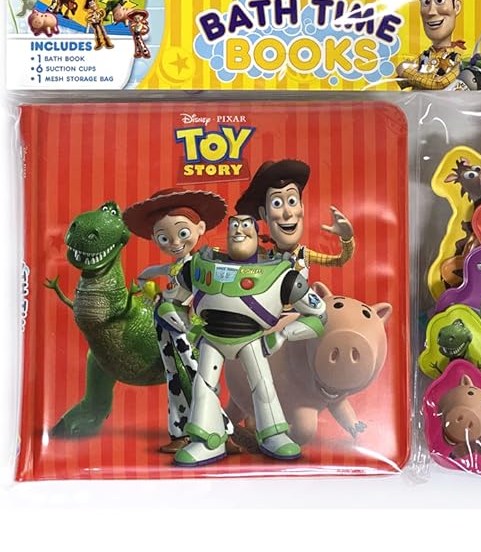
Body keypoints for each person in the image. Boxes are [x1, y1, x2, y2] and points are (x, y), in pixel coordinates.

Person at [173, 213, 328, 465]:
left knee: (263, 386)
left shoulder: (282, 275)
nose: (239, 231)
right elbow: (171, 301)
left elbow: (318, 314)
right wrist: (184, 323)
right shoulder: (196, 268)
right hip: (211, 337)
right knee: (204, 387)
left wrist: (283, 334)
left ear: (257, 235)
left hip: (251, 339)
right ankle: (208, 440)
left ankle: (273, 434)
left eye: (246, 226)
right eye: (234, 225)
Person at [123, 188, 227, 453]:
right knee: (173, 376)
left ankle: (221, 429)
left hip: (186, 326)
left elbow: (208, 290)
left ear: (199, 228)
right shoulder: (172, 267)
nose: (174, 243)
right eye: (163, 237)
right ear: (154, 238)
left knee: (197, 374)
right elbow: (143, 275)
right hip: (164, 322)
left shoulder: (200, 263)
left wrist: (195, 314)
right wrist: (153, 294)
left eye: (182, 233)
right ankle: (179, 431)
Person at [235, 158, 354, 276]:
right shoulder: (266, 257)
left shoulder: (304, 255)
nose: (288, 213)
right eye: (277, 203)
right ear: (263, 214)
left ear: (302, 208)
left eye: (292, 201)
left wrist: (347, 239)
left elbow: (338, 261)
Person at [396, 0, 477, 90]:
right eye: (426, 2)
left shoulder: (459, 61)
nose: (431, 11)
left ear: (456, 6)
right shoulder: (422, 58)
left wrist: (409, 74)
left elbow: (439, 83)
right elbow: (401, 77)